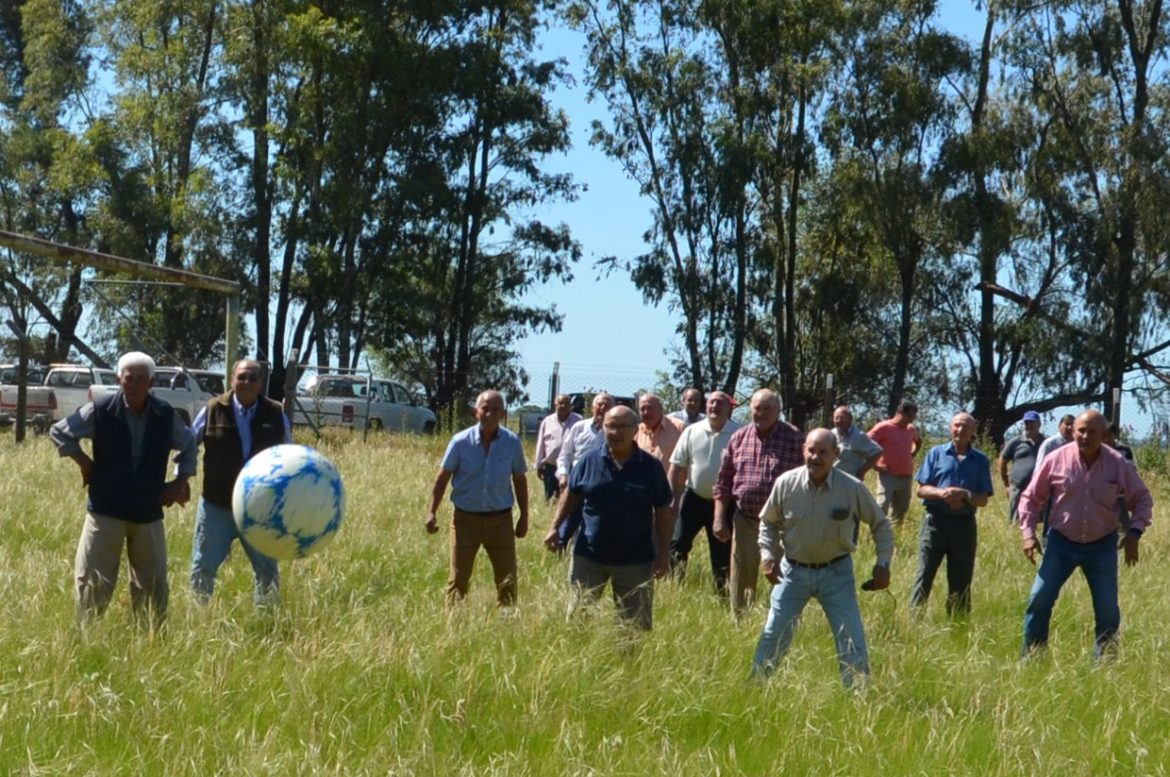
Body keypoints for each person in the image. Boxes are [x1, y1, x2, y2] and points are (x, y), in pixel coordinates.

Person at [50, 351, 197, 623]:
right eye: (129, 379)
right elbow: (60, 431)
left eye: (141, 379)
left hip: (148, 512)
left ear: (151, 383)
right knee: (93, 581)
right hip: (105, 510)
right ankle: (87, 638)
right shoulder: (101, 409)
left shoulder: (165, 414)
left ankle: (150, 642)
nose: (134, 385)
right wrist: (84, 462)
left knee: (152, 585)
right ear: (119, 379)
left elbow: (189, 445)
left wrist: (179, 482)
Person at [752, 429, 894, 687]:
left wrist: (883, 563)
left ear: (836, 455)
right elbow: (768, 523)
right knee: (774, 632)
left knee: (851, 637)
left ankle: (858, 698)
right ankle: (757, 687)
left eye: (823, 452)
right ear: (803, 451)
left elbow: (881, 526)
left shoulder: (852, 488)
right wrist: (767, 555)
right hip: (792, 573)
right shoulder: (787, 483)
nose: (815, 457)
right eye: (811, 450)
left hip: (836, 574)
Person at [1019, 409, 1152, 657]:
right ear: (1072, 431)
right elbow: (1030, 498)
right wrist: (1028, 533)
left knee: (1107, 611)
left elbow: (1142, 498)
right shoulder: (1056, 459)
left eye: (1092, 431)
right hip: (1061, 543)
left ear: (1103, 435)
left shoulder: (1118, 463)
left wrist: (1135, 533)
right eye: (1080, 430)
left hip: (1102, 546)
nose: (1085, 436)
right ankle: (1033, 660)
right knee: (1039, 600)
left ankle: (1104, 670)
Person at [544, 405, 674, 630]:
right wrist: (555, 527)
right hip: (589, 556)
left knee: (634, 628)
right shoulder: (588, 461)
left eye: (622, 426)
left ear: (635, 430)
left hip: (635, 561)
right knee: (577, 621)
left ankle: (629, 665)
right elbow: (571, 496)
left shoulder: (650, 467)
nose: (615, 432)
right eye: (610, 426)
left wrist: (663, 554)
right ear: (602, 429)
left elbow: (663, 513)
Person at [189, 359, 291, 605]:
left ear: (261, 383)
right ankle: (198, 622)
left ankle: (266, 626)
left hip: (260, 510)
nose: (246, 382)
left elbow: (288, 456)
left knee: (267, 572)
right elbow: (189, 445)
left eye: (253, 378)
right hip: (217, 506)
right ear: (232, 380)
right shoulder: (213, 408)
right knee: (203, 567)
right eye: (241, 377)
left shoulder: (276, 413)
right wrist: (182, 478)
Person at [426, 390, 529, 607]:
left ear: (503, 414)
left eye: (495, 410)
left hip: (500, 522)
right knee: (458, 581)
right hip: (465, 521)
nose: (489, 414)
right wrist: (432, 512)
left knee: (507, 581)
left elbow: (520, 480)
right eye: (485, 408)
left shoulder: (512, 443)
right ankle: (454, 629)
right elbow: (442, 478)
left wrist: (524, 516)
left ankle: (507, 627)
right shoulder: (460, 442)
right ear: (476, 412)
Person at [713, 388, 803, 615]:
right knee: (741, 579)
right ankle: (740, 624)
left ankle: (786, 623)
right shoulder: (739, 438)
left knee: (786, 578)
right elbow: (723, 482)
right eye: (757, 408)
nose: (761, 413)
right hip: (746, 522)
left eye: (767, 409)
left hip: (784, 524)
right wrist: (719, 518)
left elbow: (807, 480)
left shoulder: (794, 437)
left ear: (778, 411)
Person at [910, 412, 993, 616]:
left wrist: (964, 495)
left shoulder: (980, 460)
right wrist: (942, 493)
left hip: (964, 525)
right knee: (925, 573)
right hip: (935, 522)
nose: (960, 430)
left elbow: (983, 499)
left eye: (965, 426)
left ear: (973, 431)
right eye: (956, 425)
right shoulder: (936, 453)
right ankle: (914, 619)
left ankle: (958, 624)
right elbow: (921, 489)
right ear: (950, 428)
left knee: (962, 578)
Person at [666, 391, 739, 593]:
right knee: (677, 544)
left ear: (729, 407)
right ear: (705, 407)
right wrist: (670, 497)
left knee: (722, 551)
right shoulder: (691, 431)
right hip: (693, 498)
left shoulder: (739, 433)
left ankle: (723, 595)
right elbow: (676, 467)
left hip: (725, 502)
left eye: (719, 403)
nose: (714, 407)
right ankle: (674, 589)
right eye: (711, 403)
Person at [554, 392, 615, 549]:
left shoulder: (617, 432)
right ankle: (560, 551)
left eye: (607, 405)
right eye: (599, 404)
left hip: (603, 486)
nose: (602, 408)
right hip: (577, 483)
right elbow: (564, 456)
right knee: (568, 523)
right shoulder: (579, 427)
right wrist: (562, 475)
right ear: (592, 407)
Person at [867, 399, 922, 527]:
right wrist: (875, 465)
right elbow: (864, 444)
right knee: (882, 506)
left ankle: (894, 536)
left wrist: (912, 454)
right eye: (910, 416)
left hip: (906, 475)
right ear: (900, 412)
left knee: (901, 510)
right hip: (887, 474)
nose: (912, 419)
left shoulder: (910, 429)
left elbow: (918, 442)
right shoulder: (883, 427)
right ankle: (876, 532)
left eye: (914, 417)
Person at [532, 394, 581, 503]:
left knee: (570, 499)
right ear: (555, 405)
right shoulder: (547, 421)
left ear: (571, 406)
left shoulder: (579, 421)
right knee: (550, 499)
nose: (563, 406)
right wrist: (539, 464)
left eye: (566, 403)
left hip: (571, 468)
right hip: (550, 467)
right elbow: (541, 444)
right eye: (560, 403)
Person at [998, 410, 1044, 526]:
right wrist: (1007, 485)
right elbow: (1002, 461)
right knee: (1015, 518)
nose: (1029, 425)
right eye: (1027, 423)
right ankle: (1013, 536)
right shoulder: (1016, 442)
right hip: (1018, 485)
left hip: (1039, 487)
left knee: (1038, 518)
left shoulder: (1046, 442)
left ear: (1039, 424)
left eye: (1032, 422)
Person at [635, 392, 685, 471]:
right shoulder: (636, 431)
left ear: (660, 408)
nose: (646, 412)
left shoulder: (679, 428)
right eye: (642, 409)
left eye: (650, 408)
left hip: (672, 483)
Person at [830, 405, 883, 480]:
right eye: (836, 418)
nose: (839, 421)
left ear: (850, 419)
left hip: (850, 481)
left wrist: (862, 472)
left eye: (843, 418)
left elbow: (877, 452)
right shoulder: (831, 434)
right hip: (832, 479)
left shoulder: (858, 435)